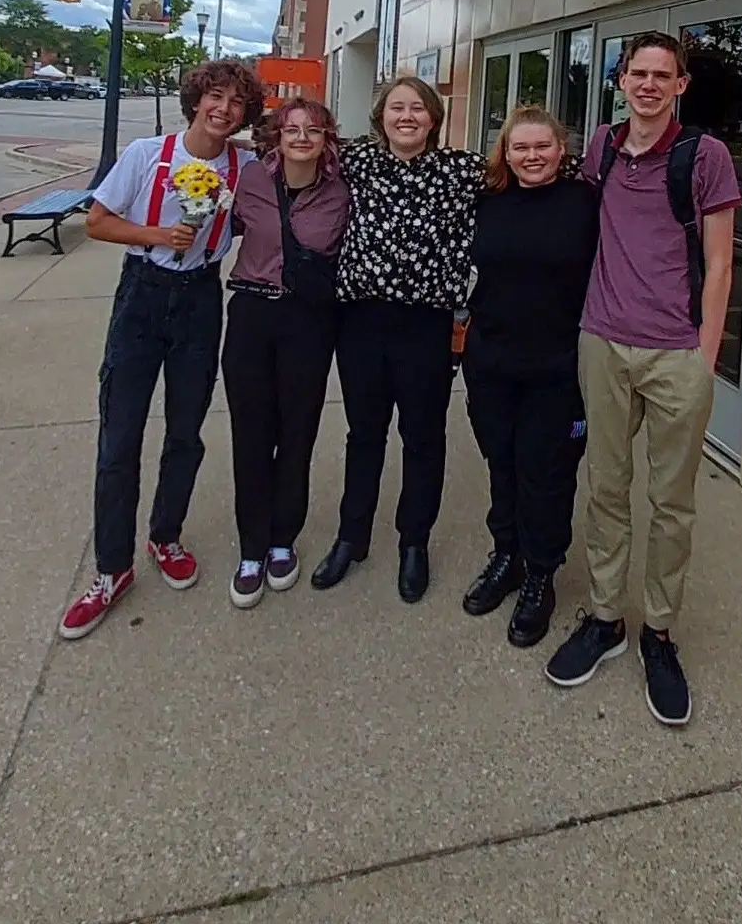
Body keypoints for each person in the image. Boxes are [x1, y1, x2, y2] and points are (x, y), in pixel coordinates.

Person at [545, 31, 740, 727]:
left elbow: (719, 263)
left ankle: (659, 631)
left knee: (671, 500)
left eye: (663, 75)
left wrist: (704, 351)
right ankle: (605, 618)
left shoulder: (704, 156)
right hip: (602, 342)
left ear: (680, 85)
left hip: (675, 352)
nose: (650, 84)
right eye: (638, 73)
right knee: (605, 486)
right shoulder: (599, 147)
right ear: (620, 81)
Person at [59, 58, 263, 641]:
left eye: (236, 104)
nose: (224, 110)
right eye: (215, 98)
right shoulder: (147, 154)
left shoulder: (243, 165)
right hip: (143, 296)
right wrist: (155, 235)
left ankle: (165, 535)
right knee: (120, 435)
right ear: (196, 99)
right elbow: (98, 221)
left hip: (201, 298)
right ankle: (111, 569)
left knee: (185, 430)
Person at [311, 73, 486, 604]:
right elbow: (289, 147)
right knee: (364, 434)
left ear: (434, 118)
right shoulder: (355, 161)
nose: (406, 116)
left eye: (417, 108)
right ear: (381, 116)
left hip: (427, 325)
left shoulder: (462, 170)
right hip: (362, 321)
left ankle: (414, 542)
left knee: (423, 436)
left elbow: (533, 171)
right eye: (396, 108)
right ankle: (351, 537)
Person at [461, 107, 599, 648]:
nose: (532, 156)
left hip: (558, 366)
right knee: (503, 462)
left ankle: (542, 572)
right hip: (492, 360)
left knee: (547, 472)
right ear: (506, 152)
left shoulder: (585, 203)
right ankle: (507, 557)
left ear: (561, 150)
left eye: (542, 146)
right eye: (521, 147)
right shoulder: (485, 201)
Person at [222, 100, 349, 609]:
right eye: (291, 129)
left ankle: (282, 540)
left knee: (297, 432)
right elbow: (216, 226)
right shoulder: (249, 179)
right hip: (252, 313)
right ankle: (251, 548)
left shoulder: (342, 189)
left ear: (326, 139)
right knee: (251, 434)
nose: (301, 137)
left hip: (308, 320)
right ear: (276, 137)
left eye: (312, 130)